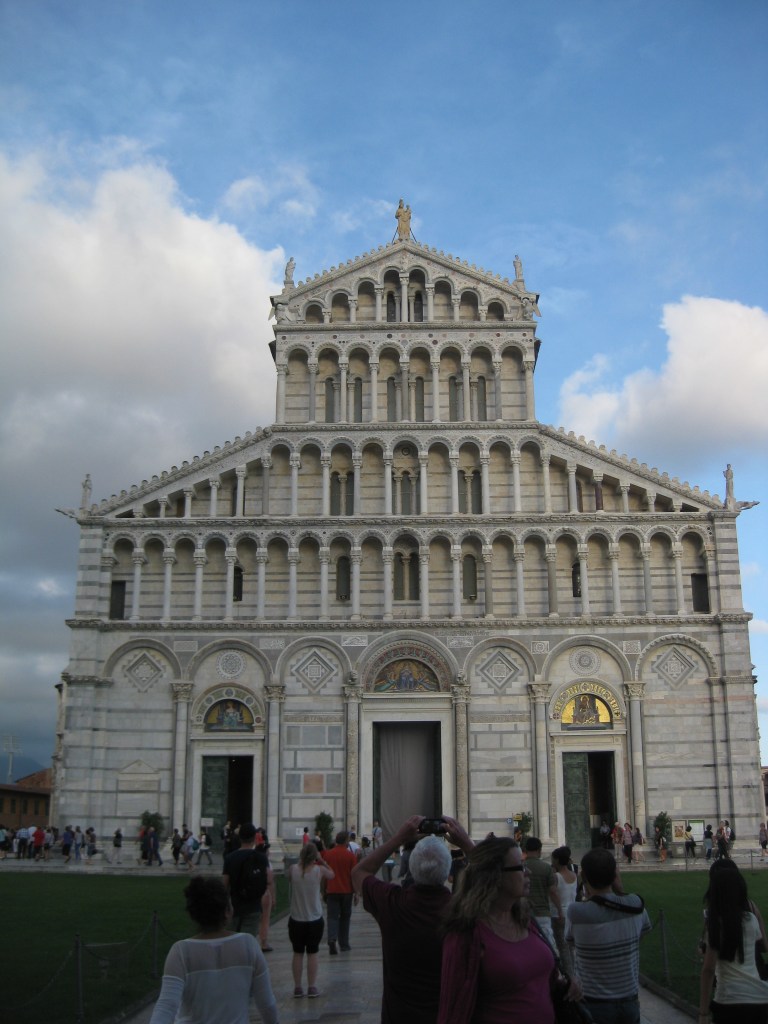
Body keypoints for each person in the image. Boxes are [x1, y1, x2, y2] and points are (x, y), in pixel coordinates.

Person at [438, 836, 580, 1024]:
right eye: (520, 867)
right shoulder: (466, 934)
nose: (527, 871)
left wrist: (567, 985)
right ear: (495, 876)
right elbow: (453, 1008)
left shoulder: (526, 921)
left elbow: (539, 980)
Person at [352, 814, 474, 1024]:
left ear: (411, 869)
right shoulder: (463, 909)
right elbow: (502, 882)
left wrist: (397, 839)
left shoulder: (393, 903)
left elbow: (359, 872)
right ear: (448, 873)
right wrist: (466, 843)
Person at [148, 875, 278, 1024]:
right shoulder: (248, 945)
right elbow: (267, 1004)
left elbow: (167, 1006)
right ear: (227, 911)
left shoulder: (181, 952)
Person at [566, 848, 651, 1024]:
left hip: (593, 1000)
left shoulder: (576, 912)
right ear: (615, 875)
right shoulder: (635, 905)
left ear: (584, 877)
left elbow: (570, 941)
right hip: (629, 999)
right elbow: (641, 933)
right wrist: (620, 889)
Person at [699, 860, 768, 1023]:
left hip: (729, 999)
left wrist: (703, 1012)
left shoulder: (716, 924)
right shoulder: (751, 919)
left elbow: (708, 970)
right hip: (759, 997)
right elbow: (760, 943)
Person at [287, 841, 334, 998]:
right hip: (314, 918)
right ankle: (312, 987)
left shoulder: (293, 870)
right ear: (315, 856)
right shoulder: (318, 870)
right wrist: (322, 860)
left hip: (296, 919)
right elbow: (332, 874)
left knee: (297, 952)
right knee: (313, 952)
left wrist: (302, 861)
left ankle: (298, 987)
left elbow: (289, 878)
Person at [223, 823, 272, 939]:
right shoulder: (261, 857)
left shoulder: (230, 858)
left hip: (235, 904)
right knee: (248, 941)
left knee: (232, 940)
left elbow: (224, 884)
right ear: (254, 838)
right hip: (254, 905)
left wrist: (225, 905)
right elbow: (268, 880)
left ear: (240, 838)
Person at [323, 831, 357, 954]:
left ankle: (332, 939)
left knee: (332, 917)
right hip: (347, 891)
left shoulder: (328, 854)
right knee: (345, 917)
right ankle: (344, 944)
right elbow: (353, 875)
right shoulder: (350, 856)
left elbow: (324, 875)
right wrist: (356, 893)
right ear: (346, 841)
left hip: (332, 890)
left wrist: (324, 890)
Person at [523, 836, 562, 943]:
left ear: (525, 850)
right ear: (539, 850)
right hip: (542, 913)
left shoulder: (520, 867)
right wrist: (560, 911)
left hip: (523, 913)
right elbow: (553, 892)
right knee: (547, 945)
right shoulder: (546, 868)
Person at [550, 846, 578, 973]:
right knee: (570, 947)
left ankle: (570, 975)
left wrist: (559, 911)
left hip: (559, 913)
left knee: (562, 947)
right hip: (571, 912)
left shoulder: (556, 876)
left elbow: (554, 893)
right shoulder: (574, 875)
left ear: (556, 860)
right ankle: (574, 971)